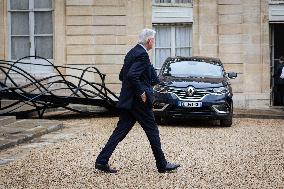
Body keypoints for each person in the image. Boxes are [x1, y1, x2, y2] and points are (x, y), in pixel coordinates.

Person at [95, 28, 180, 173]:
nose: (154, 42)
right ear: (149, 41)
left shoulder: (132, 52)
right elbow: (131, 76)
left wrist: (147, 77)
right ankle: (162, 165)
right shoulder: (142, 55)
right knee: (152, 130)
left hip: (129, 101)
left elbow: (122, 75)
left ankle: (101, 161)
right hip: (139, 102)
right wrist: (141, 91)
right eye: (153, 39)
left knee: (119, 132)